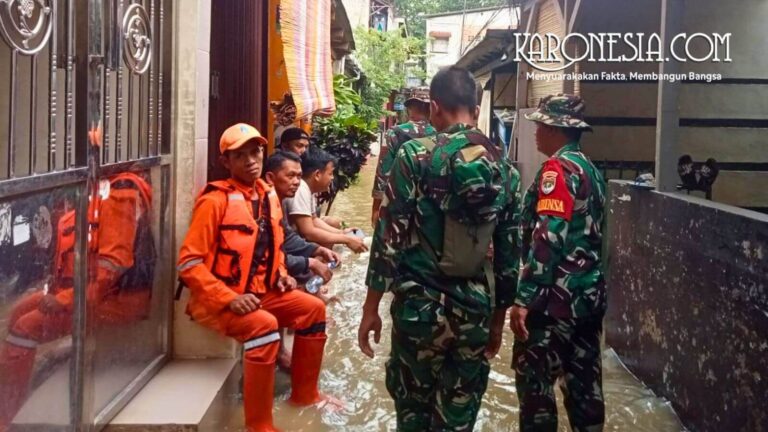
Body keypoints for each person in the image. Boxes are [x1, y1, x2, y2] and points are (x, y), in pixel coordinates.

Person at [358, 66, 521, 431]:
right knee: (458, 417)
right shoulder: (505, 170)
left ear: (434, 108)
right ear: (476, 110)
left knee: (413, 412)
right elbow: (510, 257)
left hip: (419, 311)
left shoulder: (414, 157)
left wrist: (371, 308)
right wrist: (497, 322)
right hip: (474, 313)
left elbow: (389, 239)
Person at [176, 124, 338, 432]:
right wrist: (229, 298)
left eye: (256, 152)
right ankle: (260, 425)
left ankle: (306, 397)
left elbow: (275, 244)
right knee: (264, 326)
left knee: (313, 309)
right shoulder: (215, 201)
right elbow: (189, 263)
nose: (251, 160)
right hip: (221, 302)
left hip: (263, 293)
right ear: (227, 161)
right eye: (241, 155)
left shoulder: (268, 195)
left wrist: (281, 275)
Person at [0, 172, 155, 429]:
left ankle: (6, 417)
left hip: (116, 299)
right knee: (18, 312)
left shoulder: (120, 192)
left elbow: (111, 268)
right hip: (86, 290)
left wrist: (64, 299)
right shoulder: (97, 188)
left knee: (24, 328)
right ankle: (14, 391)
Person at [510, 94, 607, 432]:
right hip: (587, 299)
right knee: (585, 389)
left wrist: (524, 298)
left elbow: (549, 237)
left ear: (556, 129)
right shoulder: (590, 169)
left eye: (540, 125)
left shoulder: (557, 169)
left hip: (554, 303)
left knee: (536, 390)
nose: (536, 131)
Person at [370, 87, 436, 227]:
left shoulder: (395, 133)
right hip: (430, 206)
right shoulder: (441, 134)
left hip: (399, 202)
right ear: (432, 108)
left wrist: (376, 209)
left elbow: (383, 172)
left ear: (410, 108)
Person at [284, 148, 367, 253]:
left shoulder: (307, 188)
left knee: (333, 224)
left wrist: (342, 233)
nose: (332, 178)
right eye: (330, 173)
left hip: (293, 239)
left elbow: (314, 220)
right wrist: (346, 240)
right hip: (287, 246)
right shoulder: (301, 189)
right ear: (317, 175)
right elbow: (309, 232)